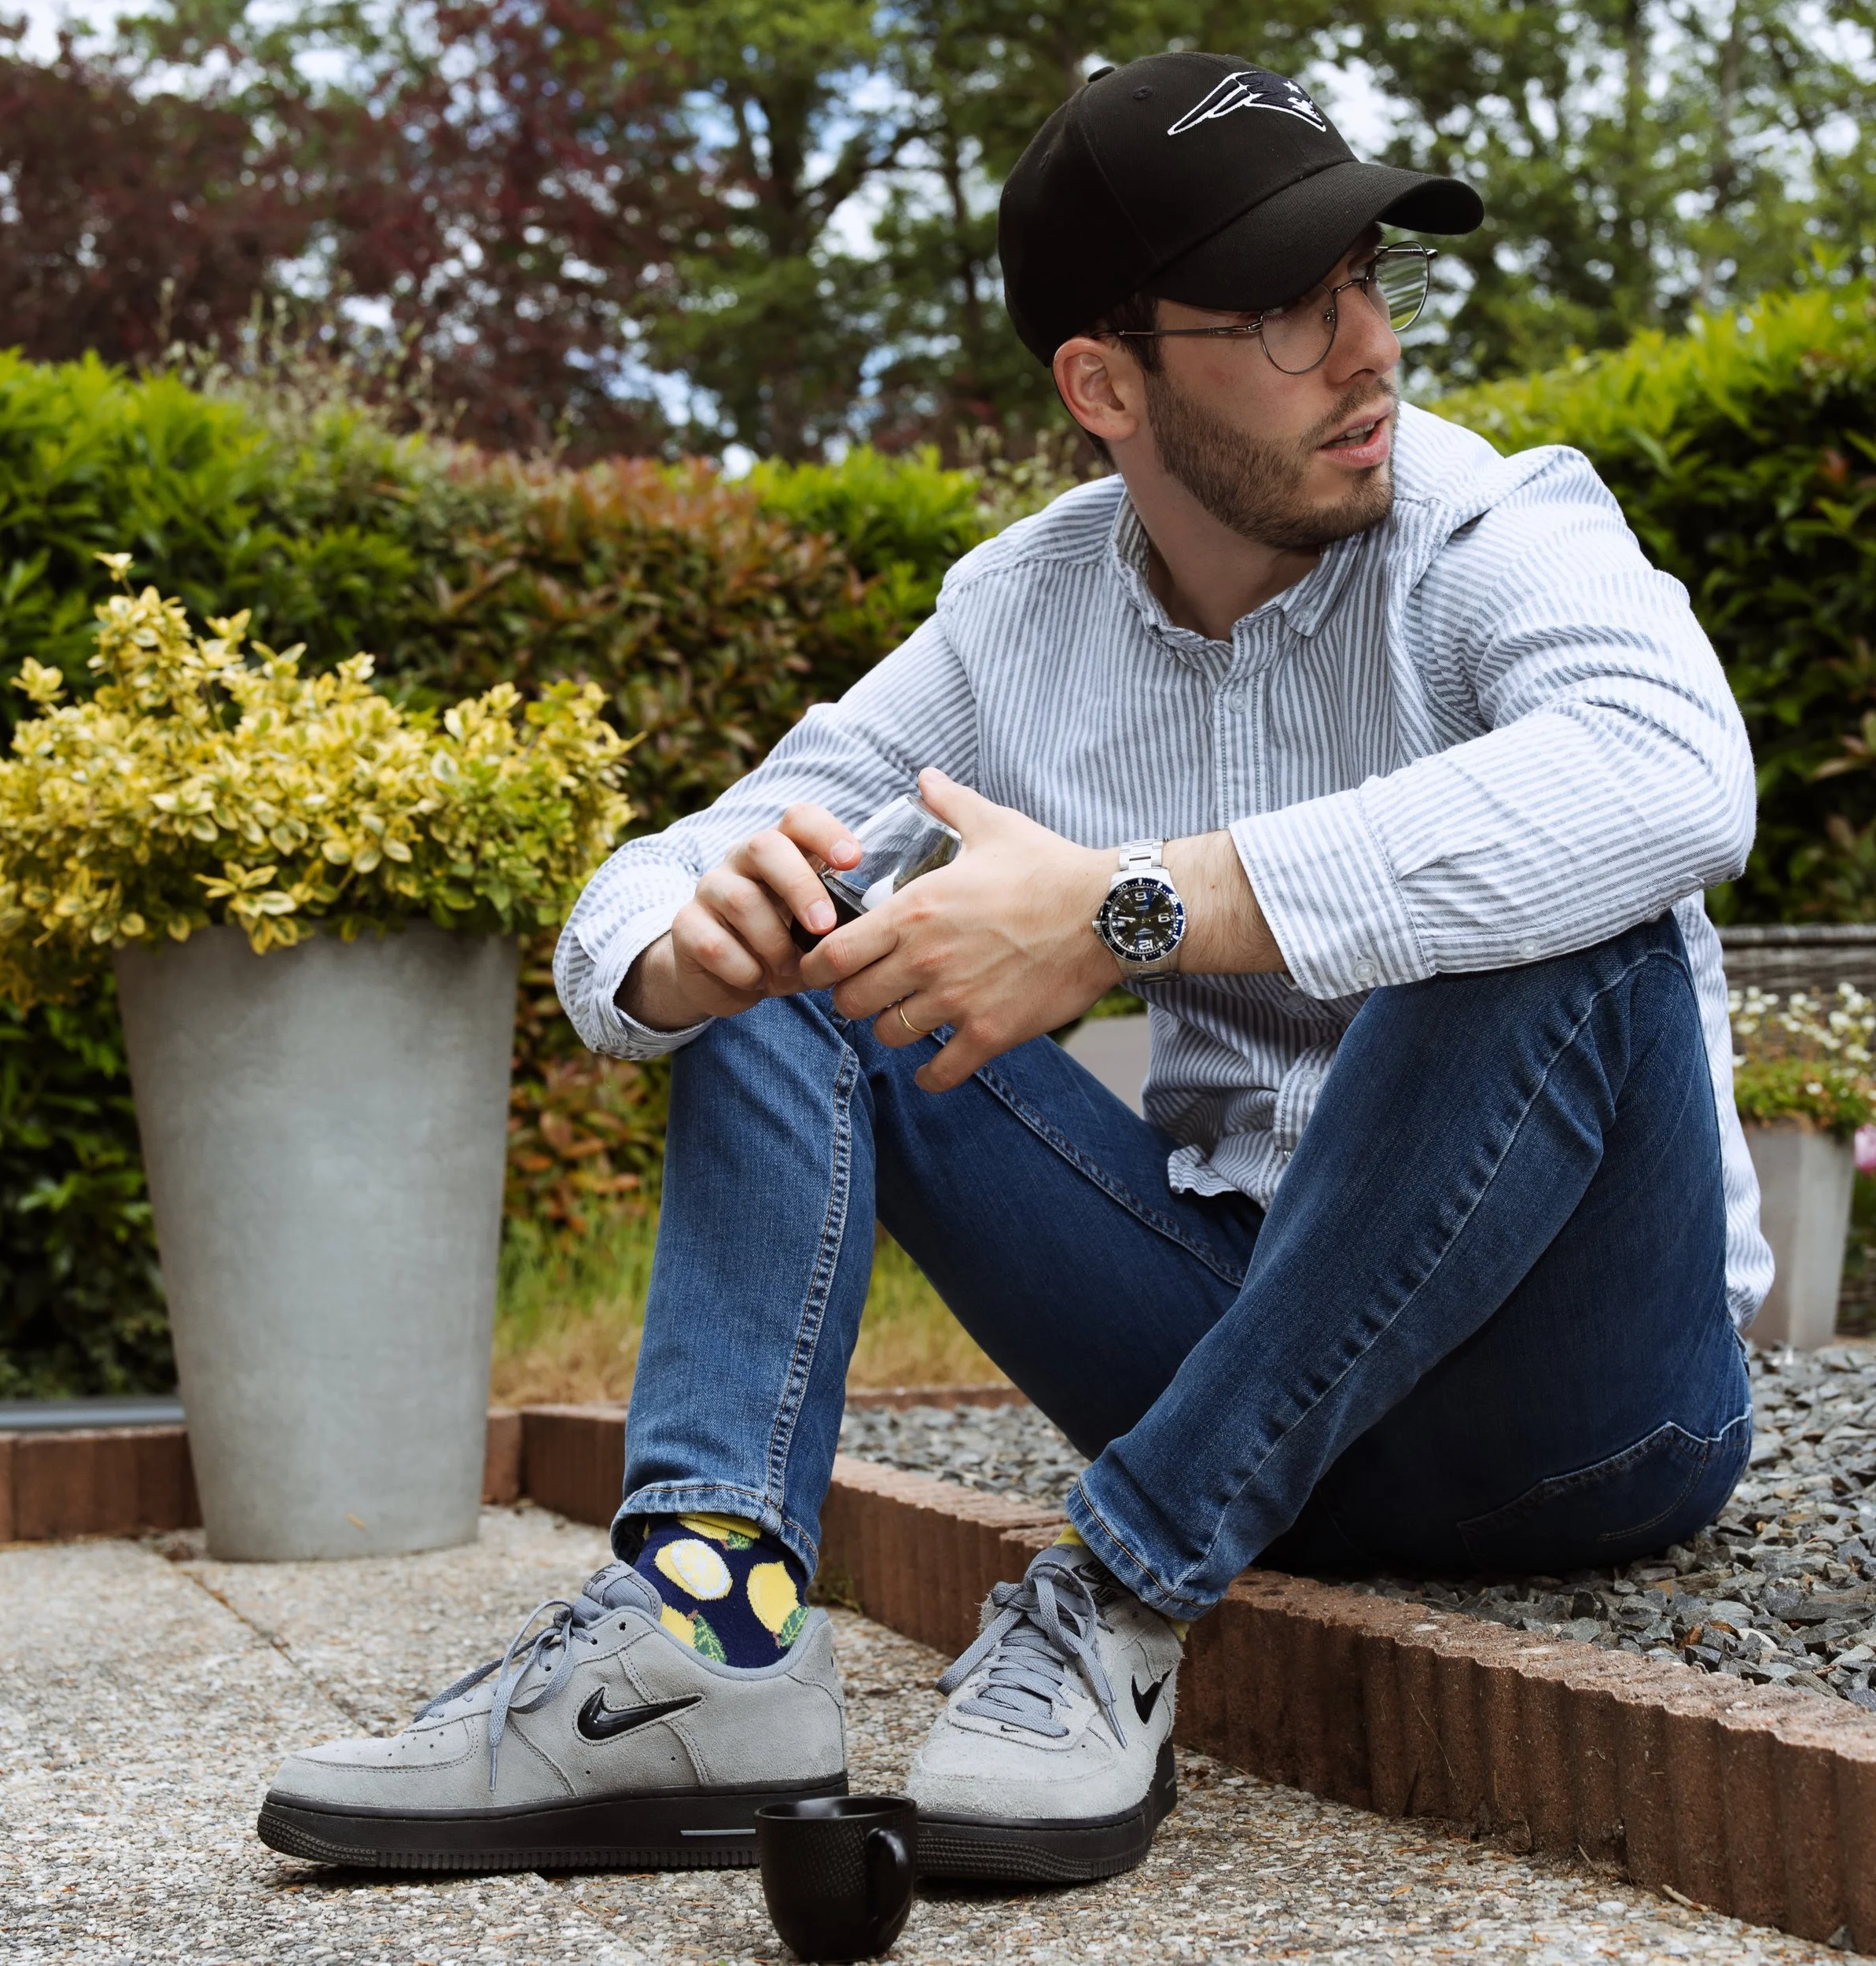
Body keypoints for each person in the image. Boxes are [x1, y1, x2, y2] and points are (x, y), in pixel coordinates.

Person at [259, 49, 1767, 1885]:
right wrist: (681, 947)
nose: (1364, 349)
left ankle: (1114, 1585)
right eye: (1286, 310)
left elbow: (1670, 777)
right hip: (1219, 1328)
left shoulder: (1493, 525)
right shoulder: (1016, 619)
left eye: (1367, 282)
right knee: (794, 914)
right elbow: (666, 869)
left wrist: (1125, 908)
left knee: (1551, 898)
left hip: (1578, 1408)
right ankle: (704, 1630)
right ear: (1101, 380)